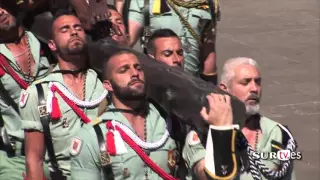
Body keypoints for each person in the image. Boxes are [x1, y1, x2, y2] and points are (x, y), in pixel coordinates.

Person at [70, 49, 236, 180]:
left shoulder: (173, 125)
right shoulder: (92, 137)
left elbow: (208, 175)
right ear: (108, 85)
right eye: (124, 70)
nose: (134, 73)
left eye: (138, 68)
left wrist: (220, 131)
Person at [19, 11, 107, 180]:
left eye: (78, 27)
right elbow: (34, 160)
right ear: (52, 45)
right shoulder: (38, 93)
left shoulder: (105, 84)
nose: (74, 32)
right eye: (65, 29)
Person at [182, 57, 296, 179]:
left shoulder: (278, 134)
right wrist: (221, 132)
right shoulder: (201, 135)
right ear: (224, 90)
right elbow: (207, 176)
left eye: (257, 82)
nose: (254, 89)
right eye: (245, 82)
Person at [0, 5, 50, 180]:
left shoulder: (45, 36)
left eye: (3, 4)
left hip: (61, 149)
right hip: (18, 156)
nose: (0, 11)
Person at [126, 0, 220, 84]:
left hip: (191, 84)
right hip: (156, 82)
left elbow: (208, 49)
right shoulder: (144, 2)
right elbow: (127, 43)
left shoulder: (207, 3)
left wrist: (210, 86)